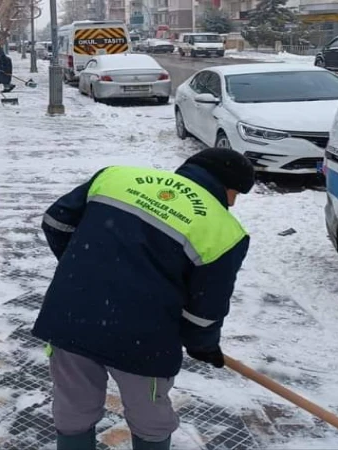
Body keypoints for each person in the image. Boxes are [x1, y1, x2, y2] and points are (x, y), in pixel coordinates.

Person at [32, 148, 255, 450]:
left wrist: (86, 271)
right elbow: (205, 308)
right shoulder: (224, 231)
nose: (232, 203)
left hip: (70, 318)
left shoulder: (115, 177)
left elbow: (56, 222)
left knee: (73, 409)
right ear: (227, 186)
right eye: (235, 194)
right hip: (142, 341)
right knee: (150, 419)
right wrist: (203, 344)